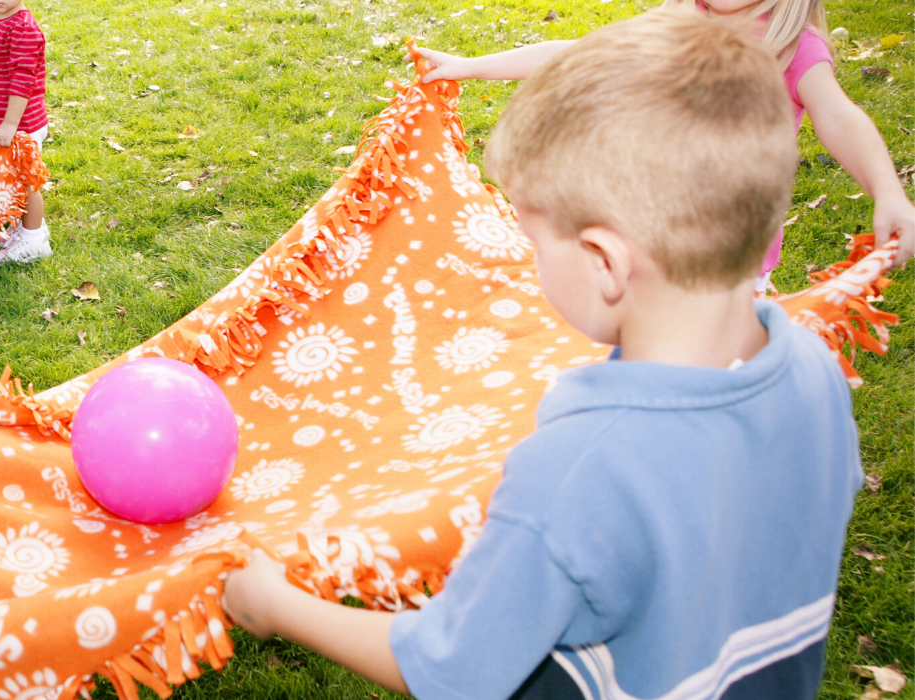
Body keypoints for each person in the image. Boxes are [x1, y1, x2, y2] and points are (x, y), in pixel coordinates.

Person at [222, 11, 862, 700]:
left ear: (603, 261)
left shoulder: (578, 472)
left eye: (534, 239)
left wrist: (275, 605)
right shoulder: (811, 367)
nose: (529, 259)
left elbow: (450, 669)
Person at [415, 0, 915, 291]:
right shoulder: (681, 16)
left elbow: (839, 116)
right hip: (646, 233)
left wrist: (888, 191)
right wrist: (471, 64)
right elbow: (580, 54)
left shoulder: (794, 47)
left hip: (728, 258)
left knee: (720, 369)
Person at [0, 0, 52, 264]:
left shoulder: (22, 29)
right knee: (11, 180)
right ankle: (23, 228)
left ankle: (34, 240)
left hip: (21, 125)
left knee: (27, 182)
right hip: (2, 119)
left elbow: (23, 81)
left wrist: (10, 124)